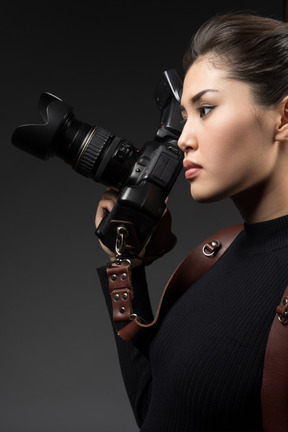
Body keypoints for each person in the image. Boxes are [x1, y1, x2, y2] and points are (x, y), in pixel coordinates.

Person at [95, 12, 288, 431]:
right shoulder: (215, 255)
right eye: (184, 115)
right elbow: (159, 412)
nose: (183, 138)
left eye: (205, 109)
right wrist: (125, 262)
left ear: (284, 118)